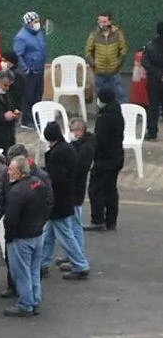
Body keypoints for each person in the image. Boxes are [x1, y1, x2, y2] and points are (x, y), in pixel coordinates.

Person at [40, 121, 91, 281]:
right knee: (49, 233)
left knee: (65, 234)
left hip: (58, 200)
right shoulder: (67, 149)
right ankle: (42, 263)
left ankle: (80, 264)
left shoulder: (56, 154)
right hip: (66, 196)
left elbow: (55, 178)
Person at [2, 157, 50, 317]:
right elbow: (48, 204)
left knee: (21, 273)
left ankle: (25, 304)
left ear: (20, 172)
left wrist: (9, 237)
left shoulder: (16, 192)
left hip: (21, 238)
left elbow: (10, 218)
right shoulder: (38, 183)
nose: (8, 172)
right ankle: (34, 299)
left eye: (11, 170)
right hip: (37, 234)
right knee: (34, 270)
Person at [87, 87, 125, 232]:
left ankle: (97, 220)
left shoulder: (104, 118)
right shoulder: (117, 114)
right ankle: (111, 220)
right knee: (110, 189)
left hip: (104, 159)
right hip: (117, 157)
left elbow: (100, 141)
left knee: (95, 189)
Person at [12, 11, 47, 128]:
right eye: (35, 21)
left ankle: (36, 118)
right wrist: (26, 69)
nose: (38, 23)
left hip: (39, 69)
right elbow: (18, 55)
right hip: (29, 72)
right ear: (28, 23)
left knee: (38, 95)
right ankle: (27, 121)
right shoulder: (21, 37)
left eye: (38, 21)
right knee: (28, 96)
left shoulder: (39, 34)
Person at [85, 11, 128, 103]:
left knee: (120, 95)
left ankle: (123, 115)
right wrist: (93, 63)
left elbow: (123, 49)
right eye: (100, 22)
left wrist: (118, 62)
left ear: (110, 22)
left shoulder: (117, 33)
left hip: (114, 72)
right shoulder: (94, 35)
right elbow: (88, 51)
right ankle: (101, 115)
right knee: (100, 98)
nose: (102, 24)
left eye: (104, 22)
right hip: (99, 72)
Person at [68, 118, 95, 259]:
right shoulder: (77, 145)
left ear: (80, 131)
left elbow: (80, 169)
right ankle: (73, 253)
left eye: (72, 130)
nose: (71, 133)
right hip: (74, 190)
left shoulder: (85, 148)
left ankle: (78, 255)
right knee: (72, 226)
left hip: (76, 191)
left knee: (75, 225)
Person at [142, 22, 163, 140]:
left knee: (153, 107)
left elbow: (145, 63)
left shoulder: (150, 45)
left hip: (154, 80)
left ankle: (152, 133)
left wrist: (157, 73)